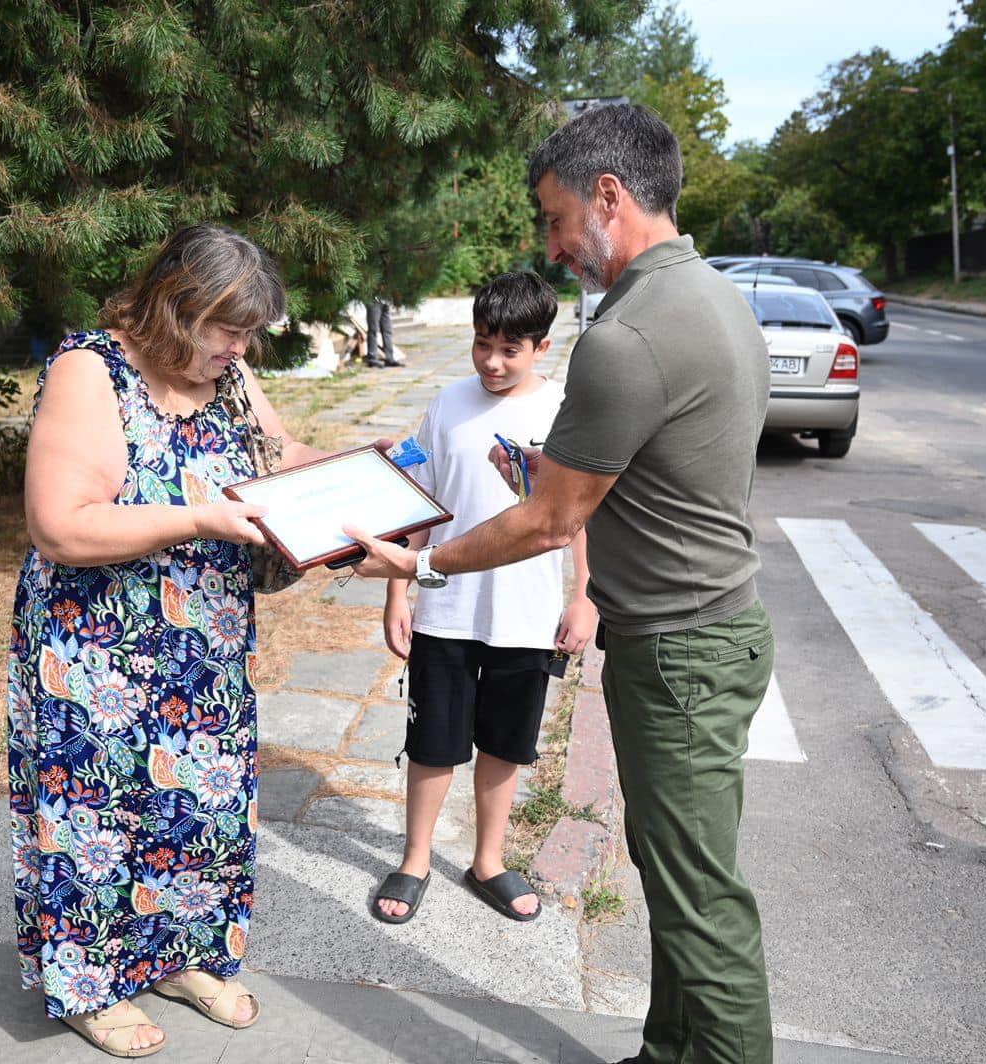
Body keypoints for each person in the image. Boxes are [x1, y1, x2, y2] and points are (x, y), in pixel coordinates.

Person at [346, 104, 776, 1064]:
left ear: (608, 197)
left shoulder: (629, 337)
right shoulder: (713, 296)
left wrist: (418, 562)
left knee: (702, 904)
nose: (552, 244)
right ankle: (670, 1053)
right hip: (713, 634)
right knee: (677, 880)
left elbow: (552, 518)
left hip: (681, 653)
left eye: (553, 218)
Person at [8, 224, 327, 1058]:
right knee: (99, 817)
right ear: (178, 310)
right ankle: (92, 984)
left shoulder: (228, 373)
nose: (243, 346)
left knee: (199, 808)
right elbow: (61, 526)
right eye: (230, 328)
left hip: (203, 641)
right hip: (98, 649)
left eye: (250, 331)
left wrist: (368, 483)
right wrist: (198, 516)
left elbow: (281, 453)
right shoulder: (92, 370)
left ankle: (180, 956)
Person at [370, 271, 596, 925]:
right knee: (433, 740)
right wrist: (397, 593)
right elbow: (410, 496)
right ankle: (415, 859)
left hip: (525, 614)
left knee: (505, 742)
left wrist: (584, 598)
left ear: (543, 348)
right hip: (444, 603)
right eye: (482, 345)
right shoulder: (443, 405)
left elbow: (579, 519)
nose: (493, 362)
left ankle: (488, 860)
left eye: (510, 349)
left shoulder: (564, 416)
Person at [365, 297, 404, 367]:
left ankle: (390, 359)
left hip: (385, 301)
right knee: (373, 330)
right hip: (374, 300)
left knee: (388, 331)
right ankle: (372, 359)